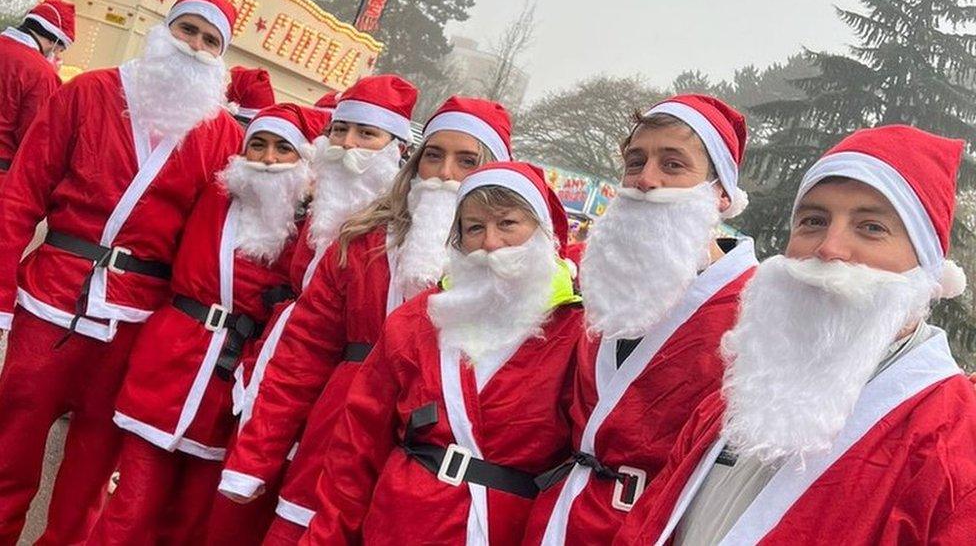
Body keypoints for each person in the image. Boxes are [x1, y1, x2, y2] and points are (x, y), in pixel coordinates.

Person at [614, 125, 976, 545]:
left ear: (927, 264)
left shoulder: (957, 436)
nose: (829, 247)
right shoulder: (744, 392)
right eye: (813, 221)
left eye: (871, 227)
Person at [218, 95, 513, 544]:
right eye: (433, 155)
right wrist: (254, 458)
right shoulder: (362, 241)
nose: (445, 173)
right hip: (334, 443)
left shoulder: (510, 269)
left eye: (466, 160)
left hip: (424, 475)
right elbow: (301, 356)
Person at [0, 0, 241, 543]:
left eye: (211, 40)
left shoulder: (221, 134)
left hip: (136, 320)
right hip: (51, 296)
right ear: (164, 30)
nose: (196, 47)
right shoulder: (89, 91)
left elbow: (208, 245)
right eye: (188, 30)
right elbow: (21, 195)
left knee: (90, 470)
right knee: (10, 447)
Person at [302, 161, 584, 545]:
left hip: (504, 530)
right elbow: (356, 447)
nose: (490, 243)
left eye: (507, 224)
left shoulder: (575, 333)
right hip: (399, 523)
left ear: (542, 233)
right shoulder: (418, 320)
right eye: (474, 228)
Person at [522, 95, 758, 546]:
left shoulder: (752, 305)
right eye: (636, 162)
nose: (646, 180)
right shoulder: (599, 280)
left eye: (672, 165)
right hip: (559, 517)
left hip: (653, 530)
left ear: (720, 193)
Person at [86, 103, 325, 545]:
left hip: (227, 392)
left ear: (305, 162)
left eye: (282, 149)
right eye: (258, 144)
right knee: (129, 511)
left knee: (190, 524)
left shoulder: (310, 232)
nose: (267, 159)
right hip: (167, 368)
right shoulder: (212, 193)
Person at [0, 0, 74, 181]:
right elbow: (35, 137)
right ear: (54, 41)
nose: (56, 55)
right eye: (59, 50)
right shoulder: (41, 73)